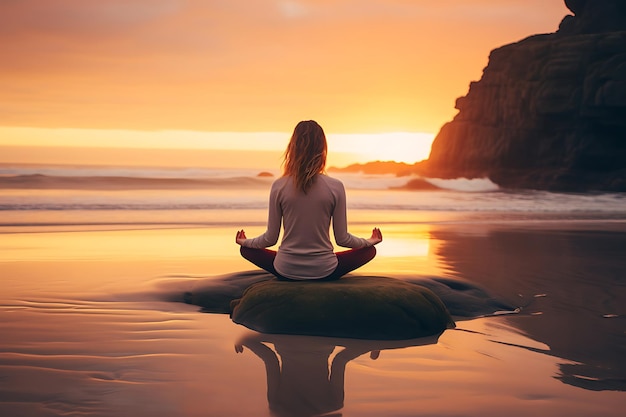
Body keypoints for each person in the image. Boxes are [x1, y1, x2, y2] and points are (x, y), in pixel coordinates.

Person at [235, 120, 382, 281]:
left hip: (285, 270)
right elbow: (343, 239)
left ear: (292, 148)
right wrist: (369, 241)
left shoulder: (279, 186)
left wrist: (246, 242)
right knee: (369, 251)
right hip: (325, 270)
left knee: (246, 250)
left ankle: (286, 261)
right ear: (322, 149)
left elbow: (270, 238)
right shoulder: (336, 186)